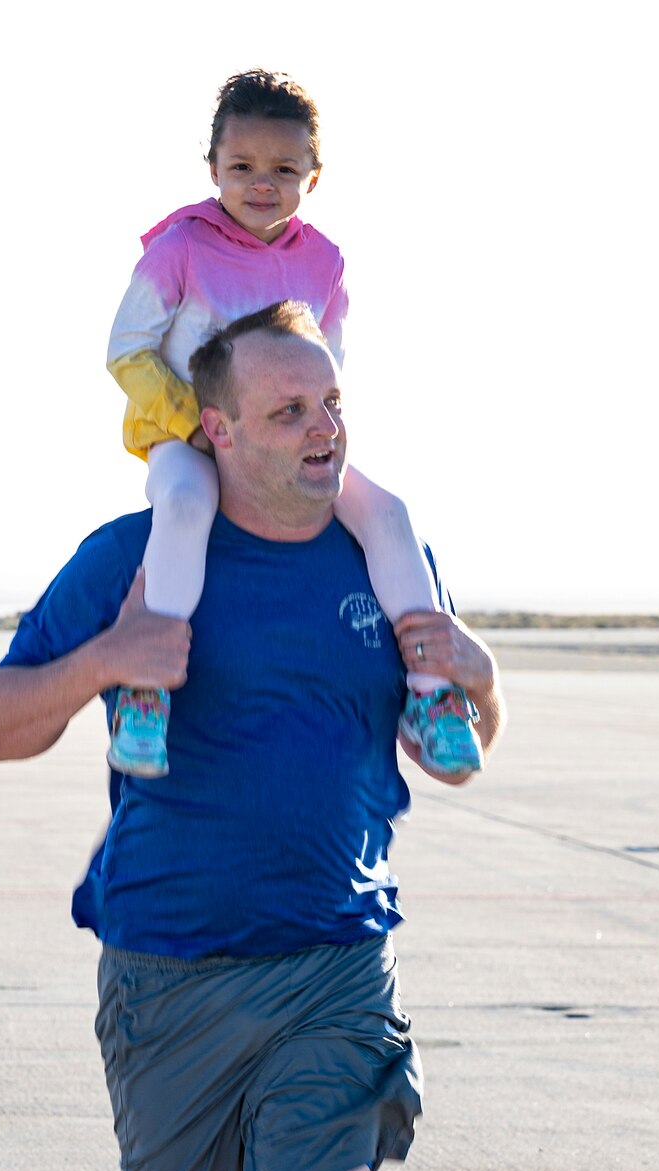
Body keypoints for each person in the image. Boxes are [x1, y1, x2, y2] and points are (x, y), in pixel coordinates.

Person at [0, 302, 503, 1171]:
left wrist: (481, 681)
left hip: (338, 962)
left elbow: (452, 737)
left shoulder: (392, 559)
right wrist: (103, 661)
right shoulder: (134, 559)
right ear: (216, 431)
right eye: (289, 412)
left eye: (332, 405)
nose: (325, 431)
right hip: (171, 975)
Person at [104, 69, 480, 784]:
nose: (261, 182)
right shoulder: (180, 246)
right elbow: (126, 349)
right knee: (184, 507)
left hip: (285, 447)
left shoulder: (325, 261)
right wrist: (201, 428)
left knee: (389, 513)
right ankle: (145, 694)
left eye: (284, 167)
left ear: (315, 173)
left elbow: (328, 372)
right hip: (189, 439)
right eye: (241, 166)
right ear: (212, 166)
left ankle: (434, 698)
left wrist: (321, 437)